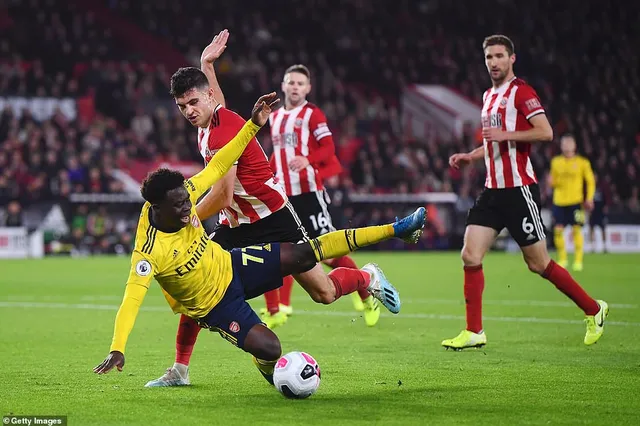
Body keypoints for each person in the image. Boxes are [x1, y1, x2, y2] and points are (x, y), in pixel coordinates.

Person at [94, 93, 426, 385]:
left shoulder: (186, 189)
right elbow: (130, 302)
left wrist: (253, 124)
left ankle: (395, 231)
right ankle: (191, 369)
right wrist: (117, 347)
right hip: (216, 303)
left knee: (307, 258)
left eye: (187, 200)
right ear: (158, 209)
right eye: (180, 205)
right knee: (271, 348)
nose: (188, 207)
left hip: (234, 261)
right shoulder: (148, 253)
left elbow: (222, 160)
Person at [442, 35, 608, 351]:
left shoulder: (522, 92)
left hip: (519, 191)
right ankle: (474, 330)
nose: (493, 62)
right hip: (492, 191)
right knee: (470, 255)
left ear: (512, 58)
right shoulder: (488, 96)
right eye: (489, 56)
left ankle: (594, 309)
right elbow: (493, 142)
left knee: (538, 263)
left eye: (499, 56)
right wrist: (471, 156)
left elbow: (546, 132)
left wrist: (506, 134)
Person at [268, 64, 378, 323]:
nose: (295, 87)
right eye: (290, 82)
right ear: (283, 86)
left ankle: (366, 293)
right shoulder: (274, 118)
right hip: (284, 196)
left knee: (329, 254)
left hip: (309, 195)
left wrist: (307, 159)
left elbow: (328, 149)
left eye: (300, 83)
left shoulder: (312, 115)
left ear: (308, 88)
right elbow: (278, 154)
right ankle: (282, 308)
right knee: (286, 249)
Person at [549, 134, 595, 271]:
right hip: (559, 201)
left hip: (576, 202)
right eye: (564, 143)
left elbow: (590, 181)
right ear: (561, 146)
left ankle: (578, 260)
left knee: (576, 229)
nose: (567, 145)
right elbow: (553, 182)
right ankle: (563, 259)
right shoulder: (556, 162)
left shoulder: (583, 162)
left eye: (569, 143)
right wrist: (551, 183)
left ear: (574, 146)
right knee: (558, 230)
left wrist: (589, 198)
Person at [588, 173, 608, 253]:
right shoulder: (589, 187)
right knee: (591, 228)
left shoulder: (601, 186)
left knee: (603, 228)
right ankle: (592, 247)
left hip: (600, 211)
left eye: (595, 177)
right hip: (592, 211)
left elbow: (606, 197)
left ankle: (604, 246)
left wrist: (606, 206)